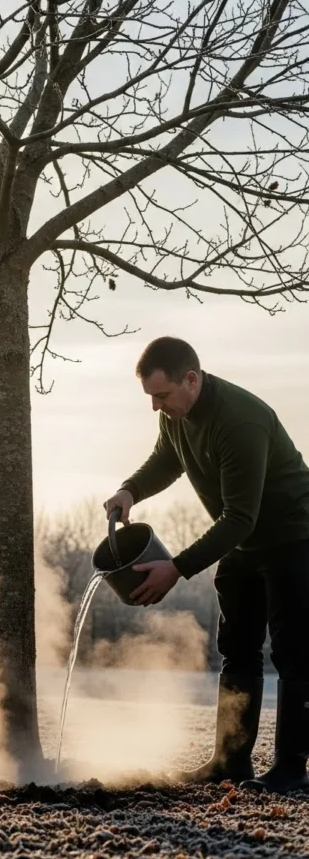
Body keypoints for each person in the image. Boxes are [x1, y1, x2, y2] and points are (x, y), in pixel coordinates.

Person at [104, 336, 309, 794]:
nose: (156, 407)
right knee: (237, 646)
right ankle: (230, 762)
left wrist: (176, 567)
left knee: (294, 653)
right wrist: (130, 490)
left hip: (293, 536)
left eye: (162, 395)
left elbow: (240, 516)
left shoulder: (240, 421)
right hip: (241, 538)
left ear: (191, 379)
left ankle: (293, 770)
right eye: (150, 397)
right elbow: (166, 460)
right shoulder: (177, 418)